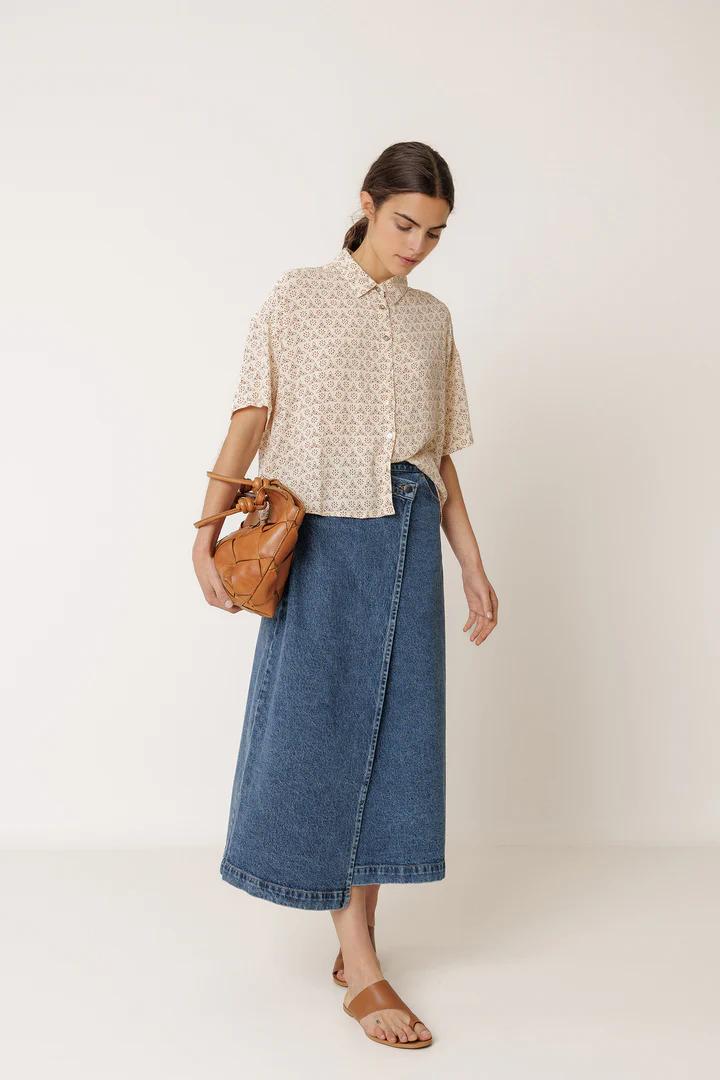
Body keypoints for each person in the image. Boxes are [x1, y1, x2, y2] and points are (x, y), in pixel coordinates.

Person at [192, 140, 498, 1050]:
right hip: (322, 534)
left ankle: (358, 943)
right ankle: (359, 960)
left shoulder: (433, 319)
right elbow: (252, 413)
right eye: (405, 224)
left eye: (434, 234)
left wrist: (472, 564)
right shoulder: (299, 295)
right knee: (320, 732)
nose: (416, 247)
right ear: (367, 204)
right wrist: (203, 529)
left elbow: (438, 457)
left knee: (397, 734)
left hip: (409, 531)